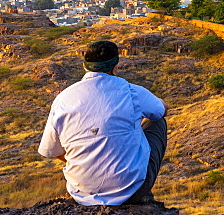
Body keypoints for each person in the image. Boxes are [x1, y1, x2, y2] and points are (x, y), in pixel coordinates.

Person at [38, 40, 167, 205]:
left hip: (81, 192)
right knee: (157, 122)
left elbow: (51, 150)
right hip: (131, 191)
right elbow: (161, 111)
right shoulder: (131, 91)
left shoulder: (63, 98)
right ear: (115, 68)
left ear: (85, 67)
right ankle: (140, 189)